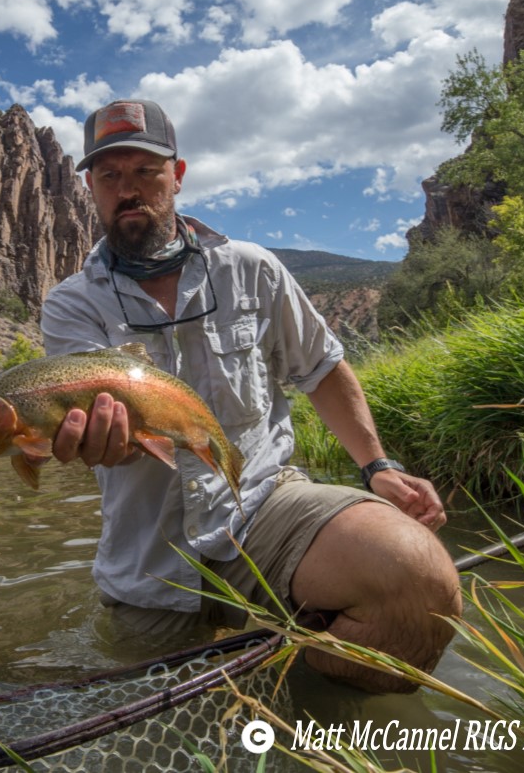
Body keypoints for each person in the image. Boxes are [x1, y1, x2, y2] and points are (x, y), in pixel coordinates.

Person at [40, 99, 461, 694]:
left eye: (146, 172)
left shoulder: (252, 270)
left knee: (418, 583)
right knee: (155, 724)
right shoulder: (71, 304)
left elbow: (323, 369)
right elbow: (95, 423)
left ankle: (307, 715)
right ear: (89, 187)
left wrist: (379, 467)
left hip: (261, 507)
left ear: (177, 176)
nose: (127, 190)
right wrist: (100, 442)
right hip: (148, 556)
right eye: (110, 176)